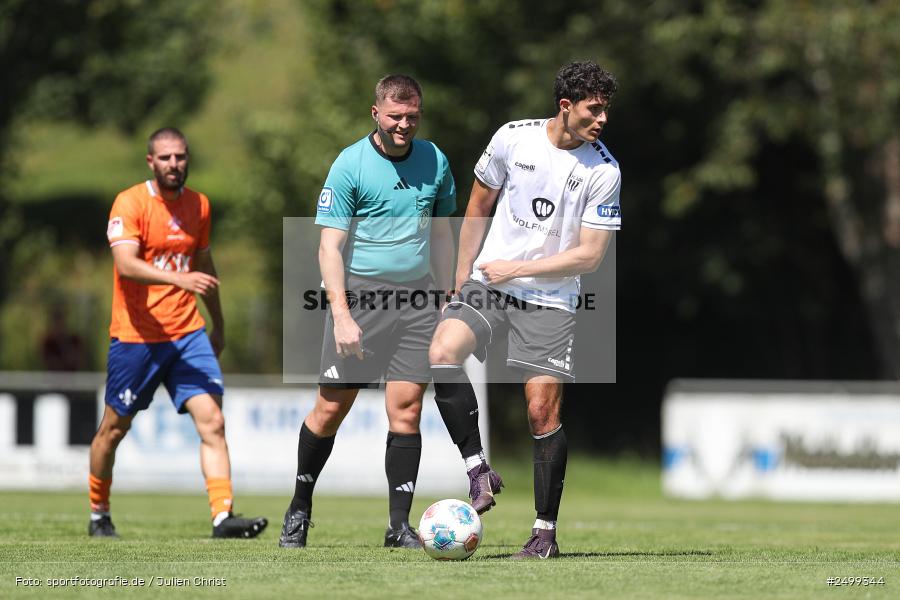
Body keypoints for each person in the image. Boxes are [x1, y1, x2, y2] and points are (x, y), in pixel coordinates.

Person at [428, 61, 621, 559]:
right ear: (565, 106)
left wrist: (516, 270)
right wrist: (461, 276)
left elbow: (591, 255)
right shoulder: (513, 138)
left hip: (551, 299)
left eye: (605, 110)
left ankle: (544, 535)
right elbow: (478, 205)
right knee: (442, 351)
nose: (601, 119)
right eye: (593, 109)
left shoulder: (604, 170)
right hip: (488, 283)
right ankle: (478, 469)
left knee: (541, 412)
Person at [279, 74, 456, 550]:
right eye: (396, 116)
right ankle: (299, 507)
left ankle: (399, 527)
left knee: (407, 410)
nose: (404, 125)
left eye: (412, 116)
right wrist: (341, 314)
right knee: (331, 408)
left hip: (417, 303)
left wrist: (447, 296)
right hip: (361, 301)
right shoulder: (349, 165)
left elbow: (441, 236)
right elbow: (329, 248)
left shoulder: (435, 160)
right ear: (375, 113)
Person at [88, 127, 268, 539]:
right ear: (151, 162)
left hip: (188, 333)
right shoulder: (130, 202)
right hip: (137, 337)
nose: (174, 165)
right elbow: (127, 265)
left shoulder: (199, 205)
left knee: (214, 422)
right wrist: (181, 280)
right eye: (166, 158)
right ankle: (99, 512)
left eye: (181, 157)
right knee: (113, 429)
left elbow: (205, 269)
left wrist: (218, 325)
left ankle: (223, 517)